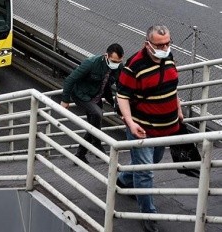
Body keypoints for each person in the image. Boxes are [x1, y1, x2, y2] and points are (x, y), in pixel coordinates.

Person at [116, 25, 181, 232]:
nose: (165, 47)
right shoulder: (134, 66)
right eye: (160, 45)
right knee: (146, 173)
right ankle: (148, 214)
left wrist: (178, 109)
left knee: (154, 160)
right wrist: (130, 122)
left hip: (166, 127)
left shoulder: (169, 58)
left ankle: (124, 179)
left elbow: (172, 87)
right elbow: (122, 96)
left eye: (168, 43)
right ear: (148, 44)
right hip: (142, 127)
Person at [60, 43, 125, 164]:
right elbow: (70, 80)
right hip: (81, 95)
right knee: (97, 114)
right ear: (106, 56)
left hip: (97, 96)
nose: (116, 64)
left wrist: (118, 107)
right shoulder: (91, 63)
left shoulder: (119, 67)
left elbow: (120, 89)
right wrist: (65, 100)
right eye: (113, 61)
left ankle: (80, 154)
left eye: (119, 61)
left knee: (93, 126)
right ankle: (97, 145)